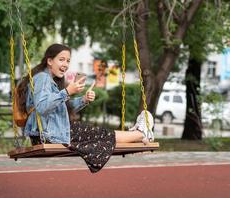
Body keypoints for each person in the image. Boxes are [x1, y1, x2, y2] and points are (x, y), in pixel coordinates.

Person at [16, 43, 154, 173]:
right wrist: (68, 91)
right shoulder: (42, 78)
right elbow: (42, 107)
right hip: (48, 135)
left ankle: (139, 136)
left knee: (100, 134)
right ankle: (141, 134)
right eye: (61, 59)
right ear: (50, 61)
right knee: (101, 134)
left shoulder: (51, 80)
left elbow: (60, 111)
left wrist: (83, 100)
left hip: (51, 132)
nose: (65, 64)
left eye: (68, 61)